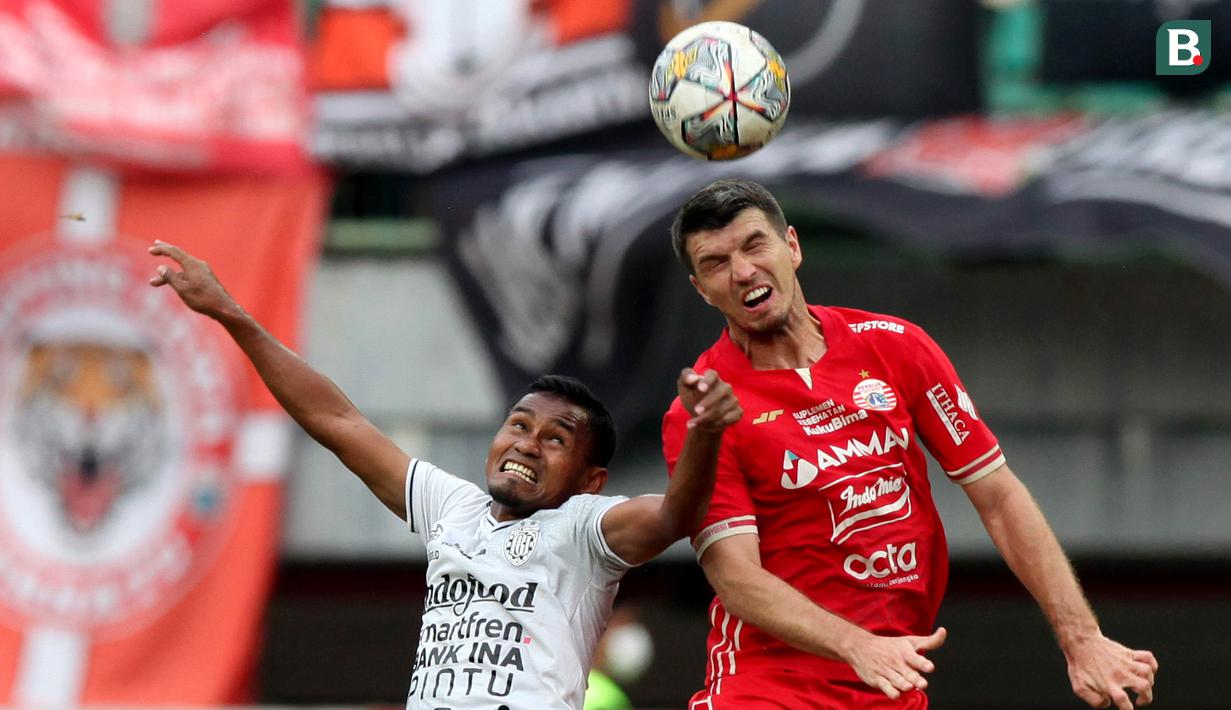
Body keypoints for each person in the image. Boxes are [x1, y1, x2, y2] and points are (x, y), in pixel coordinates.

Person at [147, 240, 743, 710]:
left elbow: (674, 516)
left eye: (556, 440)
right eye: (518, 425)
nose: (527, 445)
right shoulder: (451, 508)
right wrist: (231, 314)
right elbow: (336, 419)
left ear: (590, 480)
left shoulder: (585, 529)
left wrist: (705, 432)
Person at [661, 179, 1158, 710]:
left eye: (755, 245)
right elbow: (734, 575)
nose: (742, 272)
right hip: (767, 689)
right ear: (700, 288)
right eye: (715, 263)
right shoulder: (704, 410)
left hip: (892, 682)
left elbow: (1000, 497)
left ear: (793, 246)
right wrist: (857, 646)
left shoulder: (896, 346)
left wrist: (1080, 638)